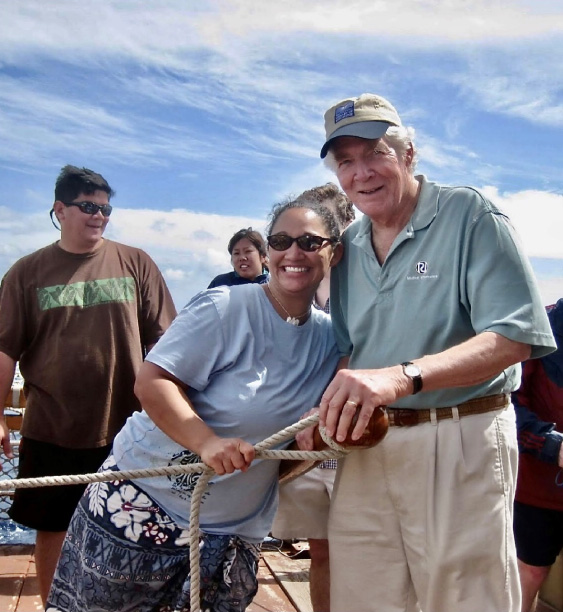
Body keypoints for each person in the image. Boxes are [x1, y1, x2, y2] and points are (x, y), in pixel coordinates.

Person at [297, 93, 556, 612]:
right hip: (368, 449)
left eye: (375, 153)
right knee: (361, 596)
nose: (361, 173)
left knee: (467, 599)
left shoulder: (470, 214)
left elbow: (515, 335)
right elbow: (353, 353)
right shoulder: (347, 247)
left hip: (461, 437)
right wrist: (325, 408)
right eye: (345, 161)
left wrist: (402, 377)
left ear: (408, 154)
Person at [46, 198, 344, 612]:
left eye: (310, 242)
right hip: (143, 505)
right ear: (269, 251)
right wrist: (207, 443)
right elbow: (152, 382)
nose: (294, 252)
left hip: (232, 534)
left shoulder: (332, 339)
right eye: (281, 240)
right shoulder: (225, 307)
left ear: (335, 252)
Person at [0, 165, 177, 605]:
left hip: (129, 429)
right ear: (60, 210)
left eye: (105, 208)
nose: (99, 216)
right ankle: (53, 605)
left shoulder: (135, 262)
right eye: (87, 207)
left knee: (133, 527)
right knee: (54, 526)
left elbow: (167, 342)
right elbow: (4, 349)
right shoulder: (25, 273)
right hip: (52, 428)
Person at [271, 182, 354, 612]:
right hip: (309, 439)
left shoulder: (364, 279)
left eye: (317, 234)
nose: (305, 244)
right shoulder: (295, 285)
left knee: (363, 550)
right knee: (321, 548)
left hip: (352, 434)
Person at [513, 298, 563, 612]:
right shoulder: (535, 328)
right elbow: (506, 405)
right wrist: (553, 445)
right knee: (530, 572)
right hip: (537, 490)